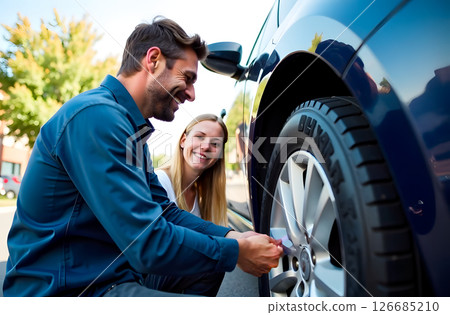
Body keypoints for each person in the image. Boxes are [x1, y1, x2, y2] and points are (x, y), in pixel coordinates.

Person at [3, 17, 283, 297]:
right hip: (65, 291)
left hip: (108, 277)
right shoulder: (97, 117)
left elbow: (166, 212)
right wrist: (236, 252)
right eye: (187, 77)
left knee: (208, 265)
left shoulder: (131, 132)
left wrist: (230, 236)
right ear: (153, 60)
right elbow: (146, 242)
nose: (192, 94)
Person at [155, 114, 228, 226]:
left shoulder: (202, 195)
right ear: (183, 141)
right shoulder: (159, 182)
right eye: (199, 137)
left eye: (215, 143)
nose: (206, 146)